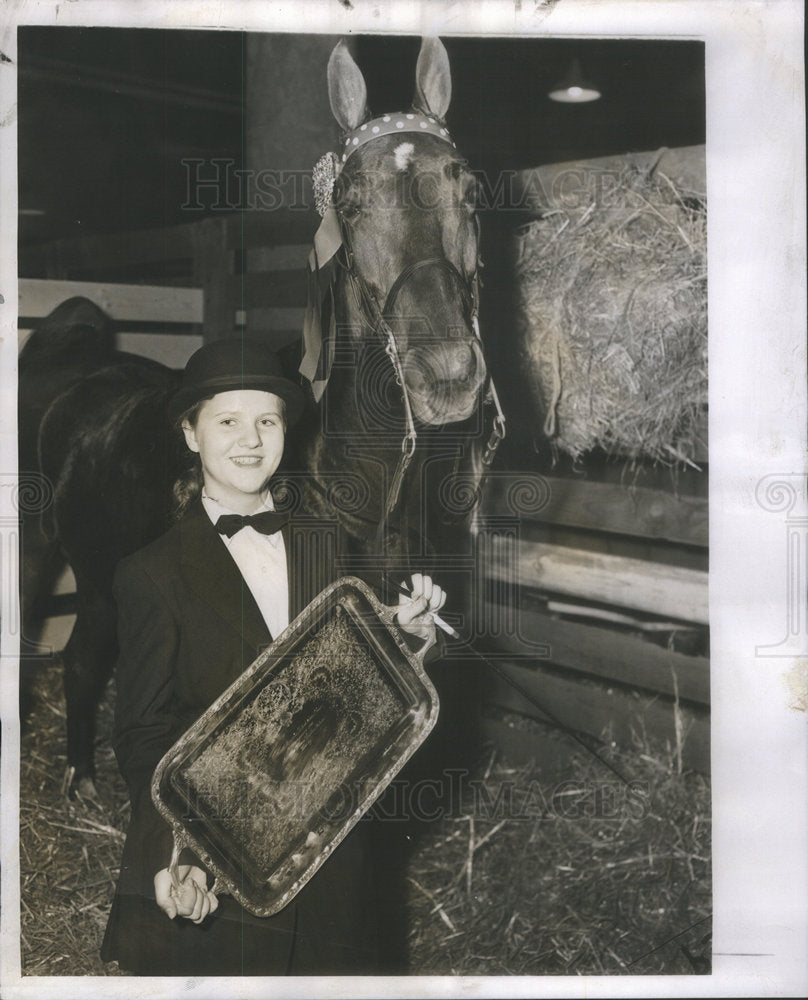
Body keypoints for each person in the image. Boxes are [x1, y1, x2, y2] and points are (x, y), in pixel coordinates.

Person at [101, 338, 447, 976]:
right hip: (226, 850)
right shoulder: (150, 574)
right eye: (227, 420)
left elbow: (359, 684)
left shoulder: (326, 544)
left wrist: (406, 635)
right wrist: (182, 853)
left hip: (331, 841)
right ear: (190, 433)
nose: (250, 439)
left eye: (267, 419)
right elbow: (145, 734)